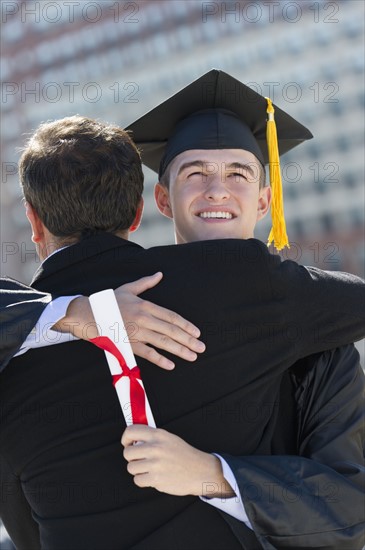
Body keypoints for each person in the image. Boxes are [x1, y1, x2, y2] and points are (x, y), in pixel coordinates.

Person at [0, 70, 364, 549]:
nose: (217, 190)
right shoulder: (51, 317)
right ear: (156, 202)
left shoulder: (316, 334)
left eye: (239, 173)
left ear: (264, 201)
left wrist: (213, 474)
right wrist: (78, 314)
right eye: (196, 173)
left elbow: (348, 508)